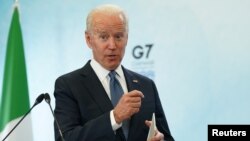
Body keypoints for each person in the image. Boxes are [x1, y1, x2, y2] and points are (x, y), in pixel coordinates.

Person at [53, 4, 174, 141]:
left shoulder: (146, 85)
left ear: (126, 38)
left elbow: (167, 137)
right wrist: (115, 117)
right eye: (104, 37)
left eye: (118, 37)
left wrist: (161, 139)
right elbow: (65, 138)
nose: (112, 45)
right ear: (89, 39)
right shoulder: (69, 85)